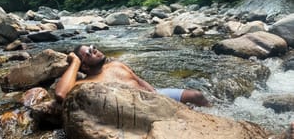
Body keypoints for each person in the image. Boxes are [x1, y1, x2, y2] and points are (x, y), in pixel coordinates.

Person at [55, 44, 210, 106]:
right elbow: (61, 94)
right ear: (85, 66)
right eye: (89, 52)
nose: (94, 50)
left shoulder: (116, 64)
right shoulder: (85, 85)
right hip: (138, 108)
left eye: (92, 47)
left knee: (197, 96)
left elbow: (138, 80)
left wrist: (155, 94)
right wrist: (74, 62)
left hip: (155, 95)